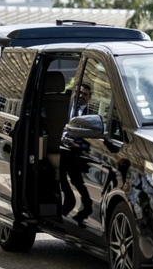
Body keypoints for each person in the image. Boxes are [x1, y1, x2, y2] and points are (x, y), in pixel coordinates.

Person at [60, 83, 93, 227]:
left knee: (78, 181)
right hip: (59, 148)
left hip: (76, 153)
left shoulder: (91, 115)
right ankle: (67, 201)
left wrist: (80, 146)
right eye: (79, 92)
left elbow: (91, 137)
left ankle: (85, 207)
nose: (81, 96)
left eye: (85, 94)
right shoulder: (63, 107)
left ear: (89, 98)